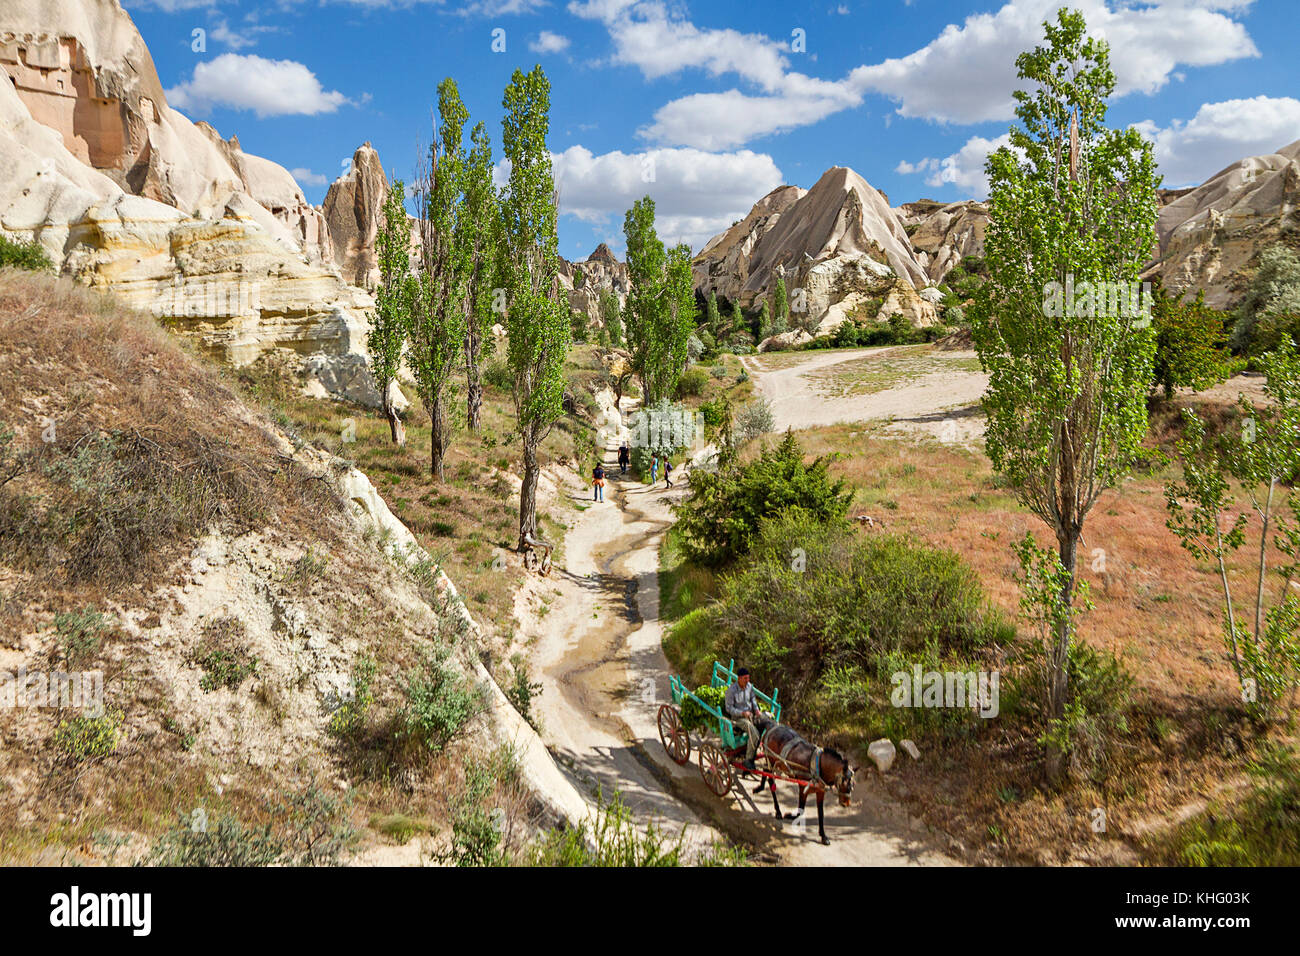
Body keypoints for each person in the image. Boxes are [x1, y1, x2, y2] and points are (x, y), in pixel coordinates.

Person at [725, 667, 774, 771]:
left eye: (748, 678)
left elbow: (753, 700)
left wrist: (757, 710)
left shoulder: (749, 687)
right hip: (739, 719)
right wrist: (742, 713)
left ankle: (758, 749)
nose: (747, 681)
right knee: (754, 733)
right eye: (745, 678)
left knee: (767, 722)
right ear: (739, 678)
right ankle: (748, 760)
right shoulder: (731, 691)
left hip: (751, 715)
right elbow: (729, 708)